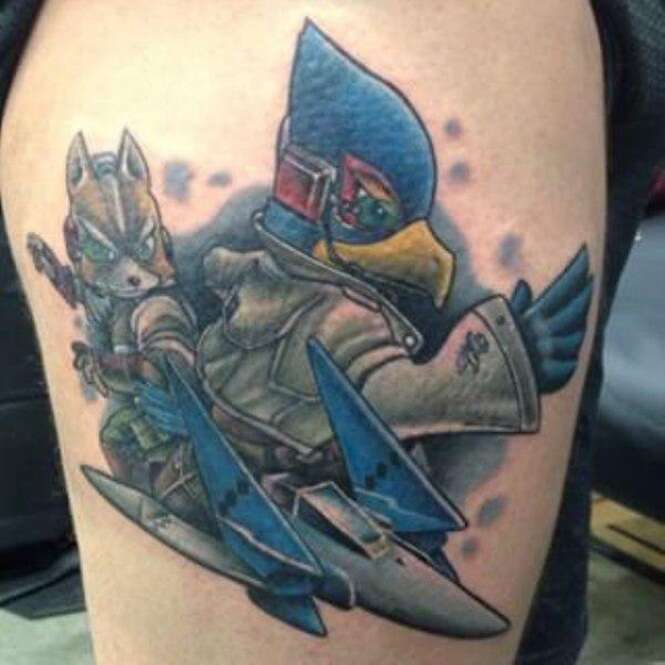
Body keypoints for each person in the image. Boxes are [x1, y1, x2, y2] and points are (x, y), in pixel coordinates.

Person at [0, 1, 663, 663]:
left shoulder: (328, 314)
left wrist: (495, 369)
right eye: (371, 207)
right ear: (318, 191)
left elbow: (380, 388)